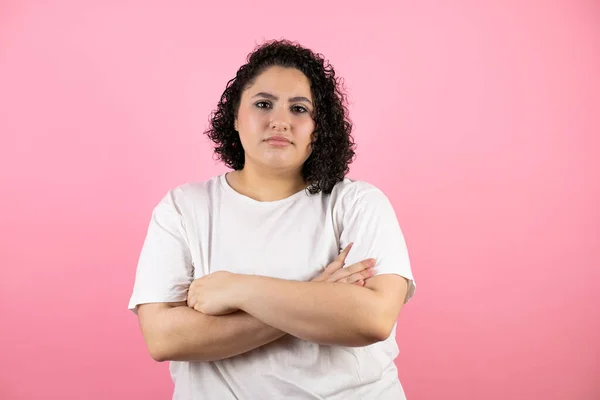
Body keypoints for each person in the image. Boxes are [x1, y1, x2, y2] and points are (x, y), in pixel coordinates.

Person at [128, 39, 416, 399]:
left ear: (318, 127)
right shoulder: (184, 208)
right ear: (235, 117)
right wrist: (319, 298)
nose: (280, 121)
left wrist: (236, 288)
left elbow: (371, 319)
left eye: (299, 108)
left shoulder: (358, 203)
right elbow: (163, 337)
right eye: (263, 104)